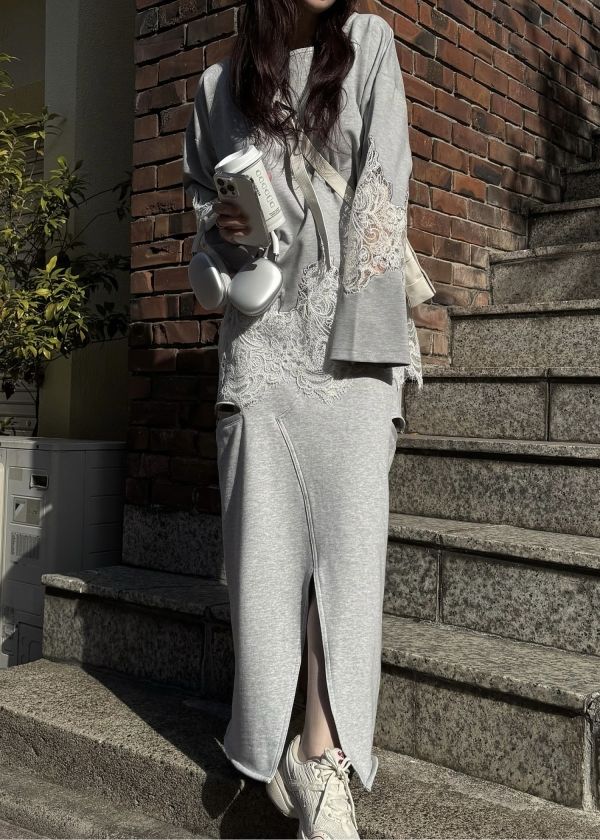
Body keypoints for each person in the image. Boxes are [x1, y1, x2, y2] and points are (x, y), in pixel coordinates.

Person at [183, 1, 422, 837]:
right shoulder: (216, 88)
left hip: (353, 340)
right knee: (264, 560)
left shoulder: (368, 45)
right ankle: (272, 735)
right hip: (261, 350)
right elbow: (201, 216)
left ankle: (320, 752)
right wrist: (221, 225)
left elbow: (383, 187)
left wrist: (368, 351)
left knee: (348, 558)